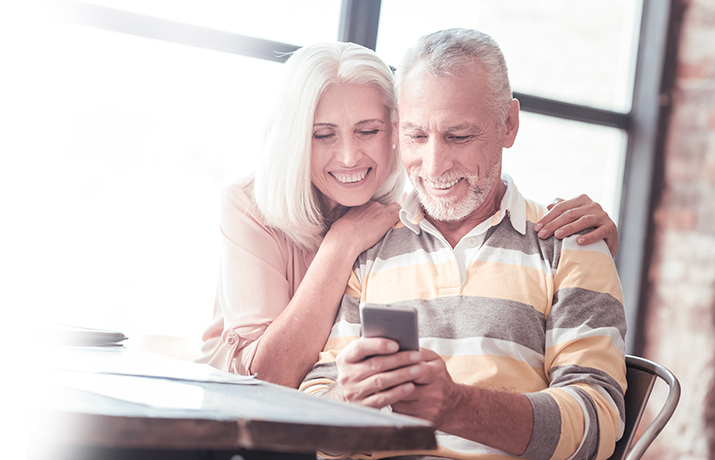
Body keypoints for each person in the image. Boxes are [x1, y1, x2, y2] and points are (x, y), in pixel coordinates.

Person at [198, 41, 620, 390]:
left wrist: (591, 244)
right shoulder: (249, 207)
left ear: (394, 131)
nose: (348, 156)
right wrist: (340, 245)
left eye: (368, 131)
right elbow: (266, 380)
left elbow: (475, 177)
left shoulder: (408, 206)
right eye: (323, 134)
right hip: (237, 420)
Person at [300, 29, 626, 460]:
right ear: (397, 129)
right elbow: (315, 409)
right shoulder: (366, 244)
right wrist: (347, 401)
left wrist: (456, 407)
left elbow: (597, 425)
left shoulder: (572, 244)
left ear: (507, 125)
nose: (434, 165)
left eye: (458, 136)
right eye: (417, 137)